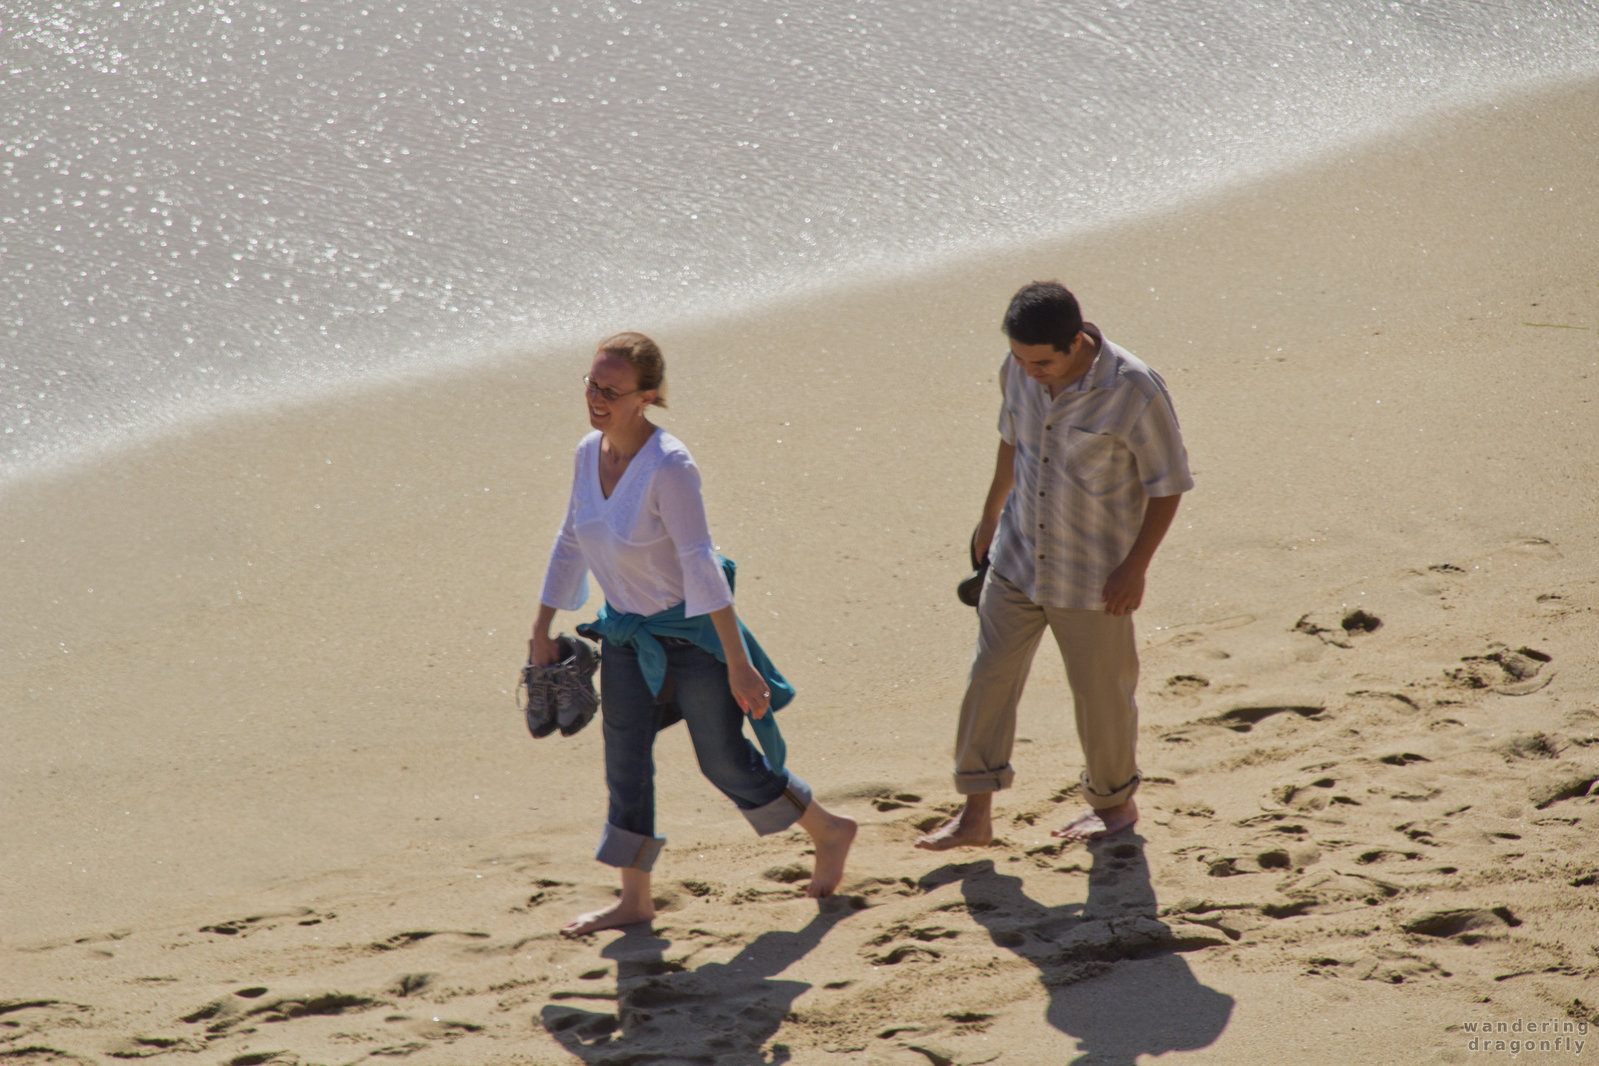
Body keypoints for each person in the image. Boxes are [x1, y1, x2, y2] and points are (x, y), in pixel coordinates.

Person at [533, 331, 856, 936]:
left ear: (646, 395)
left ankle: (829, 829)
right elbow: (571, 538)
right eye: (590, 385)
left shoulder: (670, 467)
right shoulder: (586, 454)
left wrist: (738, 661)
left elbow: (701, 563)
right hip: (627, 637)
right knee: (624, 765)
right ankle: (635, 901)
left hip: (695, 641)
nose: (596, 398)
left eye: (610, 389)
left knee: (724, 761)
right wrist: (540, 627)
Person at [916, 282, 1192, 851]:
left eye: (1041, 361)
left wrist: (1135, 568)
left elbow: (1168, 486)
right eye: (1020, 359)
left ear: (1076, 342)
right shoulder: (1018, 369)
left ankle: (1114, 808)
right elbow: (1012, 441)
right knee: (988, 680)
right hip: (1017, 556)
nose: (1029, 371)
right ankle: (976, 816)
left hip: (1094, 577)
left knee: (1102, 695)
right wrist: (989, 516)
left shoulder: (1133, 389)